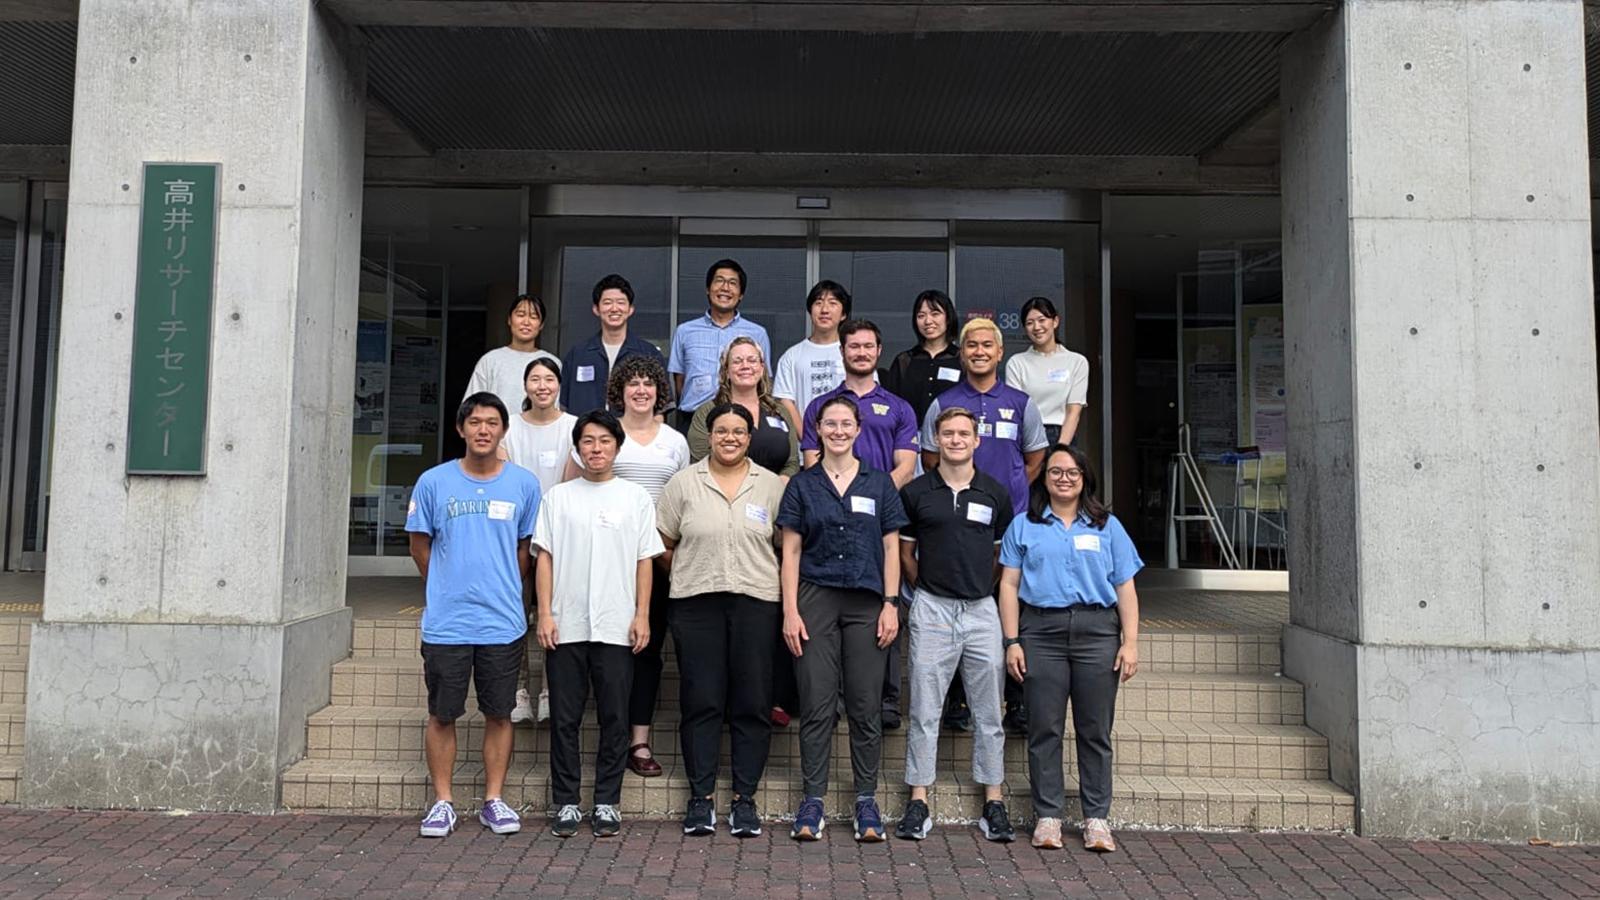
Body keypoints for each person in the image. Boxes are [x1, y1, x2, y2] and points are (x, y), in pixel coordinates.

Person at [407, 392, 542, 839]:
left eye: (492, 423)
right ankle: (443, 802)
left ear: (503, 430)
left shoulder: (523, 484)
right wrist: (446, 583)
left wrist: (500, 582)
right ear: (461, 429)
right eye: (475, 422)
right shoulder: (433, 481)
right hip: (447, 622)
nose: (483, 430)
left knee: (499, 713)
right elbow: (419, 545)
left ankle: (493, 800)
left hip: (502, 621)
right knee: (442, 713)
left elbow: (526, 550)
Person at [998, 444, 1142, 852]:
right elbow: (1008, 586)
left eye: (1073, 472)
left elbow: (1125, 587)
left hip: (1098, 632)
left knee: (1095, 730)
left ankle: (1096, 818)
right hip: (1040, 632)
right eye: (1056, 471)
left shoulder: (1106, 526)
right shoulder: (1024, 525)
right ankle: (1048, 816)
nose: (1064, 478)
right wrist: (1012, 641)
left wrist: (1129, 643)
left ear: (1085, 479)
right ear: (1044, 478)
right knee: (1044, 728)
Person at [778, 394, 908, 843]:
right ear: (818, 430)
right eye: (829, 424)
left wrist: (891, 602)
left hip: (867, 601)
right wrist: (790, 610)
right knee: (815, 703)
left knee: (865, 704)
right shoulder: (802, 485)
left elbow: (892, 546)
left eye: (845, 423)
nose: (837, 430)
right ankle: (812, 800)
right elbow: (790, 550)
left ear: (857, 429)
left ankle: (866, 801)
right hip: (814, 597)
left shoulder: (879, 483)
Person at [657, 403, 788, 838]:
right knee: (702, 700)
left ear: (749, 438)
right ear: (708, 436)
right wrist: (693, 569)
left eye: (738, 431)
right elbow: (664, 543)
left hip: (756, 602)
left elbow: (784, 547)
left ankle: (744, 799)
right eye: (721, 431)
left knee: (752, 702)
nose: (729, 438)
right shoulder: (683, 484)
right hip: (697, 602)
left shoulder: (771, 486)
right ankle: (701, 798)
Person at [534, 410, 665, 838]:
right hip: (566, 625)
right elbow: (545, 558)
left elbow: (646, 560)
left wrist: (642, 614)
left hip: (617, 624)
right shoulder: (559, 497)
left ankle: (607, 801)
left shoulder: (635, 498)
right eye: (588, 441)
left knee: (615, 717)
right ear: (578, 447)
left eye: (605, 441)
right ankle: (567, 802)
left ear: (617, 447)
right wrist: (546, 612)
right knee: (565, 719)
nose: (596, 449)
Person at [921, 317, 1049, 736]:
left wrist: (1004, 494)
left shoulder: (1020, 403)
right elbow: (928, 460)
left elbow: (1034, 458)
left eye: (986, 345)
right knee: (959, 607)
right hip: (958, 531)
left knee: (1012, 607)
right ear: (962, 353)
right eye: (971, 345)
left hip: (1008, 527)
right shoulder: (944, 404)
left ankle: (1017, 701)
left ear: (999, 353)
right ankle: (956, 703)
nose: (978, 351)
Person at [894, 406, 1016, 843]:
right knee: (925, 709)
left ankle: (994, 802)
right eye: (948, 434)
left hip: (983, 610)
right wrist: (924, 589)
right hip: (932, 608)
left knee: (988, 712)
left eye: (964, 433)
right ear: (937, 439)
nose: (957, 440)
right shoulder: (917, 492)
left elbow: (1004, 557)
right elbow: (907, 555)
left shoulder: (995, 493)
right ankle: (918, 801)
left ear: (976, 440)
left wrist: (983, 589)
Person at [605, 354, 690, 778]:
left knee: (648, 650)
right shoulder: (604, 434)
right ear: (619, 390)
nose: (641, 390)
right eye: (632, 383)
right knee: (607, 649)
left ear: (660, 391)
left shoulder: (674, 441)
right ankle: (611, 737)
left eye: (649, 383)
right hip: (608, 557)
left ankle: (638, 740)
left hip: (657, 559)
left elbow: (683, 501)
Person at [498, 357, 579, 726]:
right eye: (535, 379)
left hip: (559, 532)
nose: (542, 385)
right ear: (525, 385)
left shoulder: (574, 427)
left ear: (559, 384)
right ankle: (517, 690)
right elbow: (504, 476)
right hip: (515, 532)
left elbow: (570, 484)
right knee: (516, 609)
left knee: (553, 610)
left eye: (549, 378)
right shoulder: (509, 428)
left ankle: (548, 691)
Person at [798, 318, 917, 487]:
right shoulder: (819, 407)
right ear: (842, 351)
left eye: (868, 346)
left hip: (882, 506)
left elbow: (906, 469)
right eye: (854, 346)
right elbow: (812, 463)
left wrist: (876, 495)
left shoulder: (901, 408)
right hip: (831, 506)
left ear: (879, 350)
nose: (862, 353)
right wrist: (840, 497)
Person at [668, 258, 772, 430]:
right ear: (708, 289)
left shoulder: (757, 333)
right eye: (719, 281)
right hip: (692, 418)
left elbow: (764, 380)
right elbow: (680, 380)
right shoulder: (685, 331)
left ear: (741, 294)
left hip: (741, 419)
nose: (725, 288)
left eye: (733, 283)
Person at [686, 336, 800, 477]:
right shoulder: (708, 411)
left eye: (752, 360)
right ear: (726, 371)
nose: (745, 366)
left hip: (775, 494)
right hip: (723, 494)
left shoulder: (779, 411)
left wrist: (781, 482)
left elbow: (792, 462)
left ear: (761, 368)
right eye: (737, 361)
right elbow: (700, 461)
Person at [560, 274, 668, 417]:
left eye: (621, 302)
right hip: (587, 436)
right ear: (596, 309)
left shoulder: (649, 354)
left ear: (630, 309)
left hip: (633, 437)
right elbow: (563, 407)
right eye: (607, 302)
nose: (614, 308)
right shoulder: (578, 354)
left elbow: (660, 410)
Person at [1003, 296, 1090, 446]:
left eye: (1042, 320)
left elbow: (1073, 412)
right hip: (1028, 436)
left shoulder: (1076, 362)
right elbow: (1016, 410)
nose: (1036, 327)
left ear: (1055, 321)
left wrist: (1061, 448)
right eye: (1030, 323)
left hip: (1063, 435)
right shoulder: (1016, 363)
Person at [463, 293, 557, 417]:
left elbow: (557, 407)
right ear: (509, 319)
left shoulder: (552, 362)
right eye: (520, 315)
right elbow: (471, 406)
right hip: (497, 435)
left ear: (541, 325)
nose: (526, 322)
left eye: (534, 317)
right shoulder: (490, 360)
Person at [772, 280, 851, 426]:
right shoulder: (792, 356)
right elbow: (785, 402)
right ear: (810, 310)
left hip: (848, 445)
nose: (824, 310)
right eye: (818, 303)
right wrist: (809, 441)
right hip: (805, 446)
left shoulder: (854, 353)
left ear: (843, 314)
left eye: (833, 303)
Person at [882, 289, 961, 427]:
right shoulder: (904, 361)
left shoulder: (962, 359)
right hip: (910, 440)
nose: (928, 321)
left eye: (935, 314)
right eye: (921, 315)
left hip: (952, 439)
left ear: (948, 318)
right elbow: (891, 405)